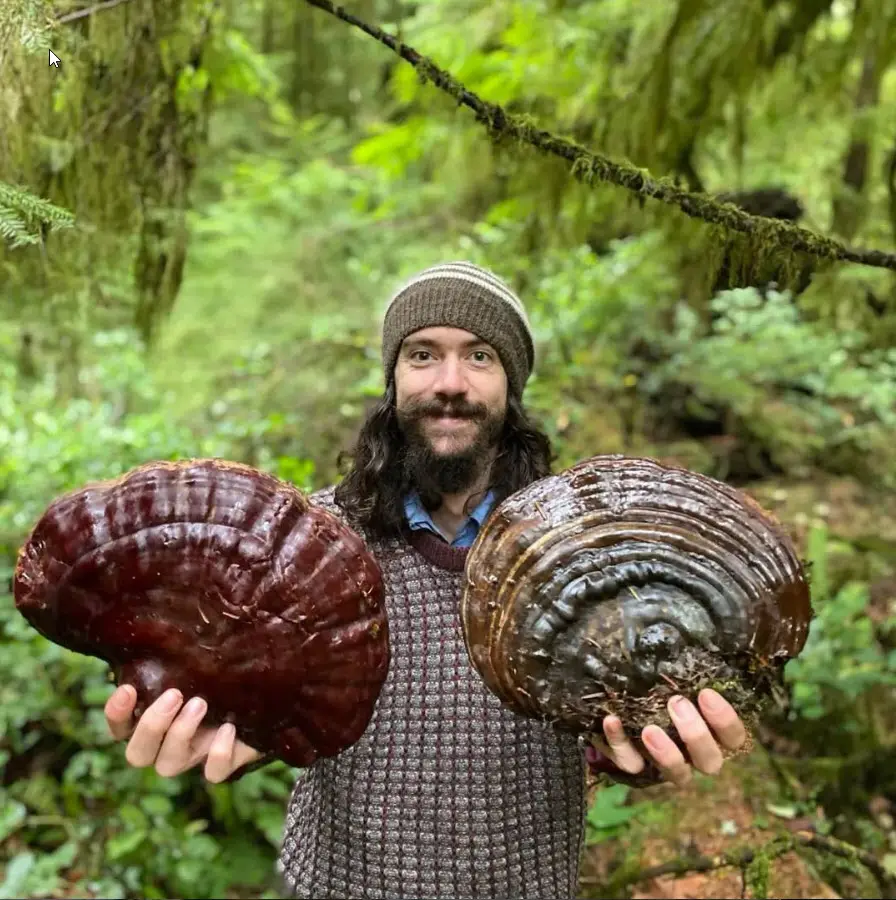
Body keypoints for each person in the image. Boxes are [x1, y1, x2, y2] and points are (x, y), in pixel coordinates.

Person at [104, 261, 749, 899]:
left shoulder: (580, 550)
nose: (450, 382)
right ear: (392, 380)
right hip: (338, 886)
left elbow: (604, 721)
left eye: (479, 356)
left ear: (510, 386)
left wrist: (640, 745)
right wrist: (222, 718)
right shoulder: (310, 541)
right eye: (422, 354)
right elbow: (283, 700)